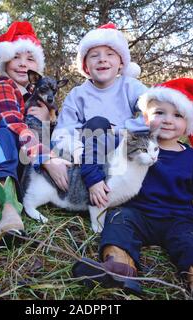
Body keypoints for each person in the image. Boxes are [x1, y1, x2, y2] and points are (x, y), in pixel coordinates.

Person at [72, 78, 193, 300]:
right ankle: (118, 272)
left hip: (178, 220)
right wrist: (93, 178)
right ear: (146, 117)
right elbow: (100, 154)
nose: (168, 120)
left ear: (189, 124)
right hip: (137, 214)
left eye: (178, 115)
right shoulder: (131, 146)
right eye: (160, 112)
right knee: (118, 221)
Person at [0, 21, 71, 240]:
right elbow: (12, 123)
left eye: (30, 58)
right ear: (5, 61)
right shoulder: (1, 87)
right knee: (6, 134)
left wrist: (46, 121)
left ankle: (63, 193)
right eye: (16, 57)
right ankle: (8, 208)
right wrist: (47, 159)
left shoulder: (34, 98)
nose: (23, 63)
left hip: (21, 162)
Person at [51, 23, 149, 209]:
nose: (102, 60)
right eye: (94, 55)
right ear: (86, 66)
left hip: (123, 150)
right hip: (89, 155)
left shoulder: (130, 86)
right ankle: (92, 184)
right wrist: (77, 148)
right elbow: (64, 130)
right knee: (96, 123)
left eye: (110, 54)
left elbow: (152, 111)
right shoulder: (78, 94)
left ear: (121, 63)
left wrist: (119, 131)